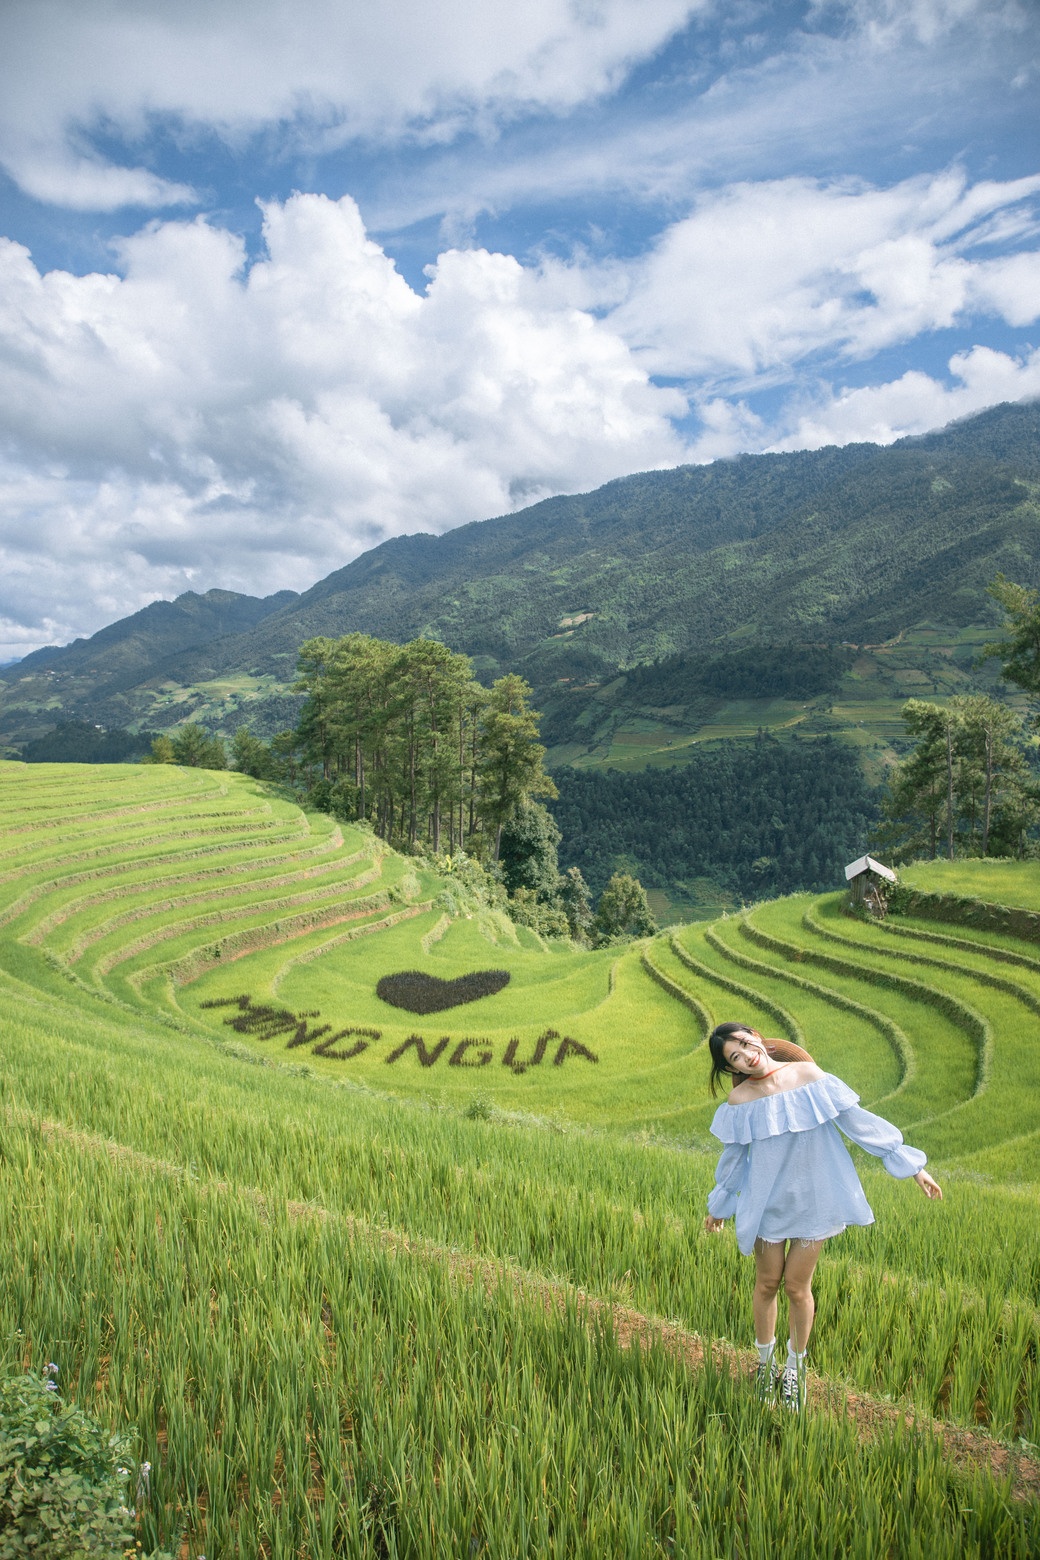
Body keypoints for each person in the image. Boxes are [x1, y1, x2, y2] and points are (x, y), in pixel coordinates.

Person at [702, 1022, 942, 1412]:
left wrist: (912, 1166)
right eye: (735, 1056)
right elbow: (732, 1160)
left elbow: (859, 1123)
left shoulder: (810, 1076)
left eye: (746, 1043)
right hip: (766, 1206)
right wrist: (719, 1207)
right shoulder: (740, 1102)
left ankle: (794, 1368)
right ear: (732, 1069)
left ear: (757, 1038)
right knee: (766, 1284)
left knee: (797, 1288)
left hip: (814, 1203)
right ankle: (765, 1366)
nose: (747, 1054)